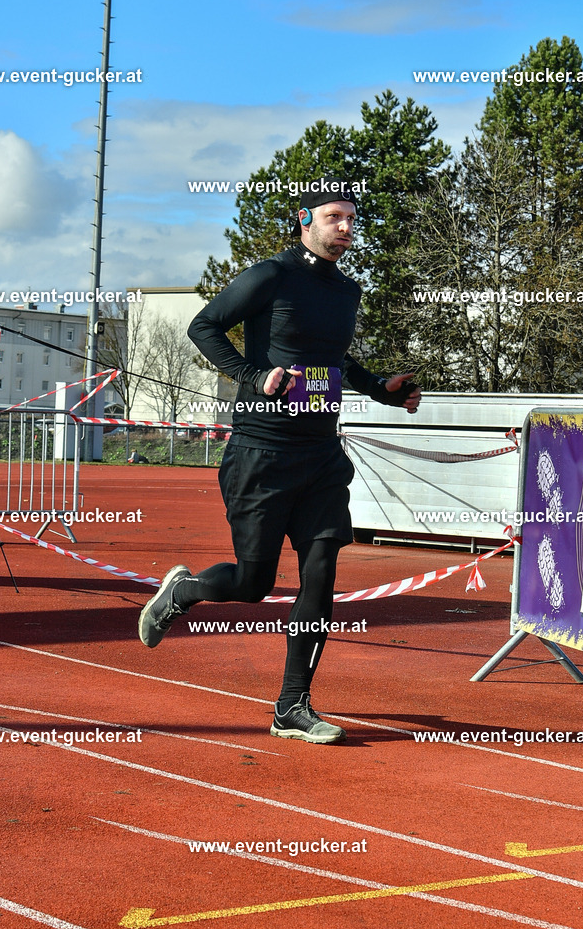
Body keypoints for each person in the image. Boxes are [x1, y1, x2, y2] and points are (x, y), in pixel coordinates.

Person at [138, 179, 421, 744]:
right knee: (251, 582)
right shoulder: (271, 275)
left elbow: (335, 361)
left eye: (351, 218)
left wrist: (383, 390)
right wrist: (251, 373)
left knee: (320, 574)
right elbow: (205, 325)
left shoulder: (346, 292)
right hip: (261, 452)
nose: (345, 227)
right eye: (334, 216)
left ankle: (293, 706)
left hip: (320, 455)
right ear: (305, 220)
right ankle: (183, 593)